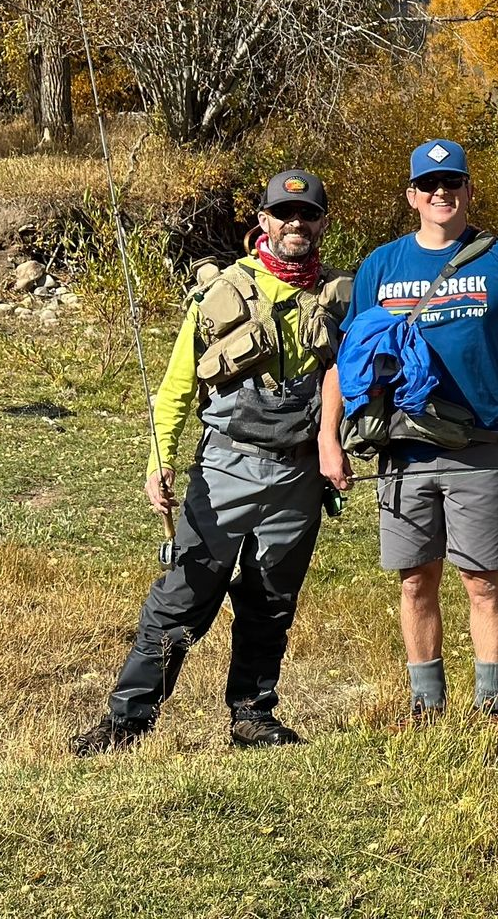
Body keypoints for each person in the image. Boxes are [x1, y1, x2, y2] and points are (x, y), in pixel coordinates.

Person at [71, 169, 352, 756]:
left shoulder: (341, 297)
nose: (295, 224)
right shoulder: (222, 292)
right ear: (264, 221)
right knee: (184, 594)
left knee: (271, 600)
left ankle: (252, 715)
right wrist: (159, 461)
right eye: (283, 214)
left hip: (299, 476)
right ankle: (127, 721)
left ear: (323, 223)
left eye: (307, 215)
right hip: (226, 468)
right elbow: (176, 387)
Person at [318, 139, 498, 719]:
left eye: (452, 183)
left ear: (468, 191)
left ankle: (492, 710)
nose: (441, 193)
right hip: (401, 447)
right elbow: (348, 359)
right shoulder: (381, 265)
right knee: (415, 581)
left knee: (483, 582)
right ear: (412, 196)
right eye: (429, 185)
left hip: (479, 444)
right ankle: (426, 707)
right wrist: (329, 438)